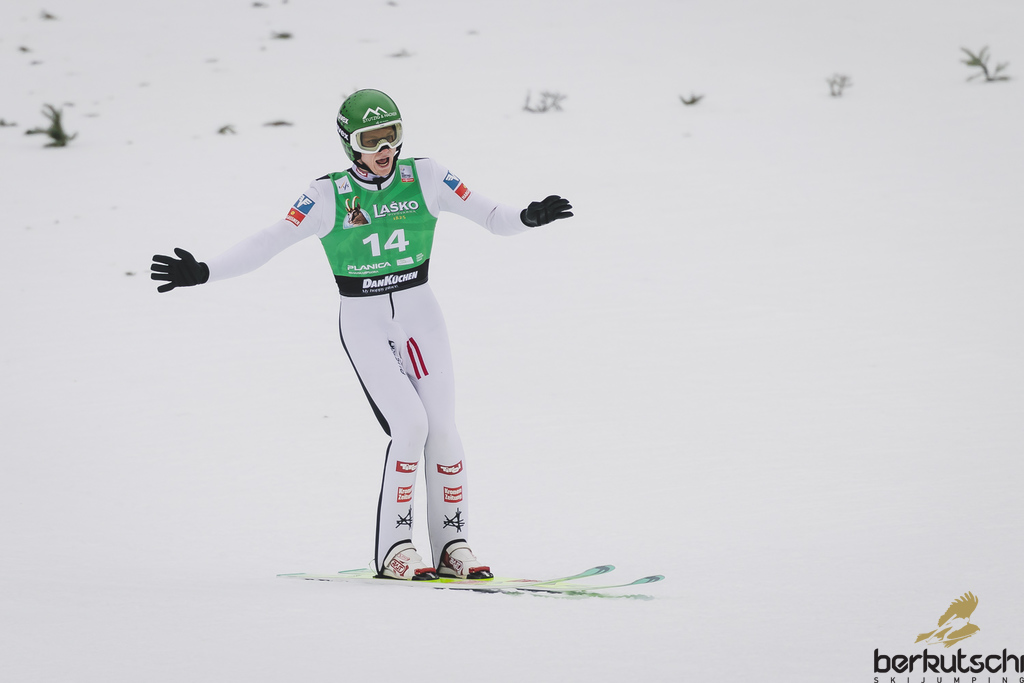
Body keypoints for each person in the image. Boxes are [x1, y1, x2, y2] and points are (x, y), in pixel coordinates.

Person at [151, 89, 573, 581]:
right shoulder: (327, 195)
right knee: (410, 426)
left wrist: (527, 217)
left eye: (390, 135)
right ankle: (395, 548)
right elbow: (269, 241)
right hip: (365, 322)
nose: (384, 148)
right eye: (370, 140)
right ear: (349, 143)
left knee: (444, 430)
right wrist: (205, 271)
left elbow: (493, 216)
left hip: (420, 315)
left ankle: (452, 544)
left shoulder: (426, 176)